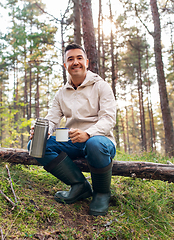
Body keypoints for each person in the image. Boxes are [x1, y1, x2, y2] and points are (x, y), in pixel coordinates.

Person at [28, 43, 116, 216]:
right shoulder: (61, 93)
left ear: (87, 62)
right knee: (35, 146)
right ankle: (79, 185)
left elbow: (108, 119)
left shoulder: (101, 86)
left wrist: (88, 133)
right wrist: (43, 130)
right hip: (71, 141)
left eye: (79, 58)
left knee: (94, 144)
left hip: (100, 141)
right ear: (65, 65)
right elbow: (52, 119)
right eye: (70, 59)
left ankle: (101, 193)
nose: (75, 62)